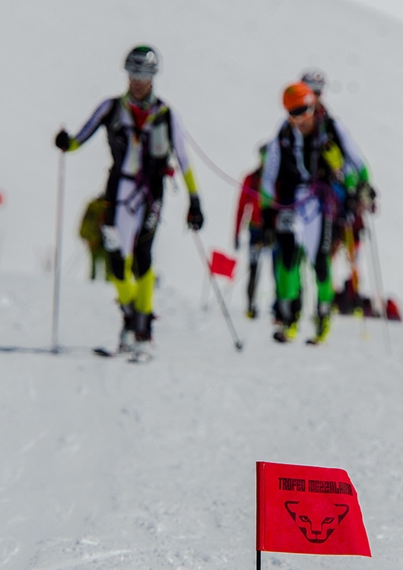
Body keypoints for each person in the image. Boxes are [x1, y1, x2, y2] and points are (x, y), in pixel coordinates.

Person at [55, 45, 204, 354]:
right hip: (117, 191)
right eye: (134, 73)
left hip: (151, 193)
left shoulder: (165, 114)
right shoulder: (110, 108)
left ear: (154, 76)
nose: (138, 80)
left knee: (142, 256)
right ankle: (130, 315)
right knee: (114, 261)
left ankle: (143, 331)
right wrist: (64, 142)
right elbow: (78, 140)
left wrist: (195, 200)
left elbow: (184, 159)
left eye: (145, 74)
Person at [261, 81, 360, 344]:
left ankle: (323, 320)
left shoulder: (330, 130)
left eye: (304, 111)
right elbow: (269, 176)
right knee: (288, 261)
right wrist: (266, 211)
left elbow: (354, 165)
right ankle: (289, 320)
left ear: (313, 106)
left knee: (320, 262)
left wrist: (353, 191)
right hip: (291, 203)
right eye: (293, 113)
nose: (300, 119)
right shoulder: (282, 135)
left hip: (321, 203)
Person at [300, 69, 377, 315]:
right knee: (313, 253)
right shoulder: (293, 125)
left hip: (337, 201)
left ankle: (342, 298)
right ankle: (317, 298)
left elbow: (355, 160)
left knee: (340, 250)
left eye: (316, 92)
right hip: (308, 201)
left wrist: (361, 188)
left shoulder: (330, 125)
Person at [233, 145, 276, 318]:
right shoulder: (251, 179)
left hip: (273, 230)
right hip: (255, 230)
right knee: (253, 268)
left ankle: (278, 305)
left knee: (276, 268)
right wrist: (236, 232)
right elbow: (241, 206)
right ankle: (250, 305)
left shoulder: (276, 179)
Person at [78, 194, 111, 281]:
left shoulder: (92, 206)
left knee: (93, 266)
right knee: (108, 265)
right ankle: (108, 282)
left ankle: (91, 281)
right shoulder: (104, 208)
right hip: (102, 241)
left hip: (92, 240)